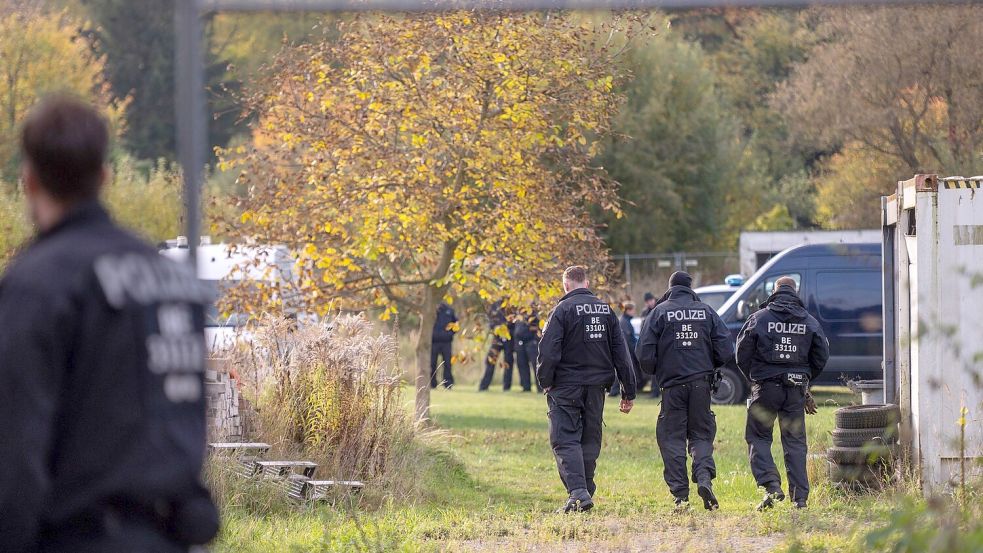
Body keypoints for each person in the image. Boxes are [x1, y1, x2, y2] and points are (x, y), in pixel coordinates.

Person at [0, 96, 218, 551]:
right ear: (103, 176)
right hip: (167, 537)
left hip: (76, 537)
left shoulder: (37, 286)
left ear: (29, 180)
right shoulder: (171, 281)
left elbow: (15, 452)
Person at [537, 266, 637, 513]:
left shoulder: (562, 310)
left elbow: (548, 351)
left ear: (566, 285)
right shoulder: (606, 311)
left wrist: (545, 380)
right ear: (587, 283)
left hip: (565, 386)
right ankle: (585, 490)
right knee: (590, 438)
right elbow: (621, 353)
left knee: (564, 438)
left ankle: (579, 492)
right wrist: (628, 390)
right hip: (597, 387)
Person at [636, 271, 734, 511]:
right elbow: (725, 349)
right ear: (691, 288)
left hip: (672, 386)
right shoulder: (706, 311)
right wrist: (709, 364)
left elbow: (644, 354)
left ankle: (681, 496)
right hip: (701, 385)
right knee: (701, 435)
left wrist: (659, 369)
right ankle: (704, 477)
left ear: (670, 288)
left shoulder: (658, 312)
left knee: (672, 438)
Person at [736, 276, 829, 510]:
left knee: (758, 437)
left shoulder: (759, 318)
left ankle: (771, 486)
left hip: (765, 388)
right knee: (795, 443)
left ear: (774, 291)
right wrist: (805, 378)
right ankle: (800, 499)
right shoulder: (809, 321)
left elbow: (741, 353)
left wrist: (755, 377)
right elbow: (821, 356)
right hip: (795, 390)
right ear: (795, 292)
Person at [478, 300, 515, 391]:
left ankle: (506, 387)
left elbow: (515, 322)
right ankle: (483, 386)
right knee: (490, 360)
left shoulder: (512, 304)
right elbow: (490, 321)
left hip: (509, 338)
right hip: (497, 338)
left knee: (508, 361)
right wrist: (496, 328)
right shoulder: (495, 305)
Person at [609, 301, 641, 397]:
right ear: (628, 310)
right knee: (625, 371)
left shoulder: (625, 321)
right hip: (628, 351)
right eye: (633, 310)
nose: (634, 312)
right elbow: (627, 339)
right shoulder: (624, 322)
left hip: (628, 351)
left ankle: (616, 391)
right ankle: (615, 391)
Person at [430, 302, 458, 389]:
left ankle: (448, 384)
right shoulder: (431, 310)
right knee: (432, 363)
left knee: (447, 364)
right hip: (433, 342)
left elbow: (456, 324)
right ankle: (432, 384)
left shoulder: (449, 311)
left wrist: (450, 334)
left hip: (446, 342)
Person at [512, 313, 541, 393]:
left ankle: (540, 388)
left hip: (531, 342)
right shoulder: (518, 313)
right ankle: (526, 387)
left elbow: (537, 327)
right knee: (522, 365)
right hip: (520, 343)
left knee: (536, 365)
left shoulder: (532, 312)